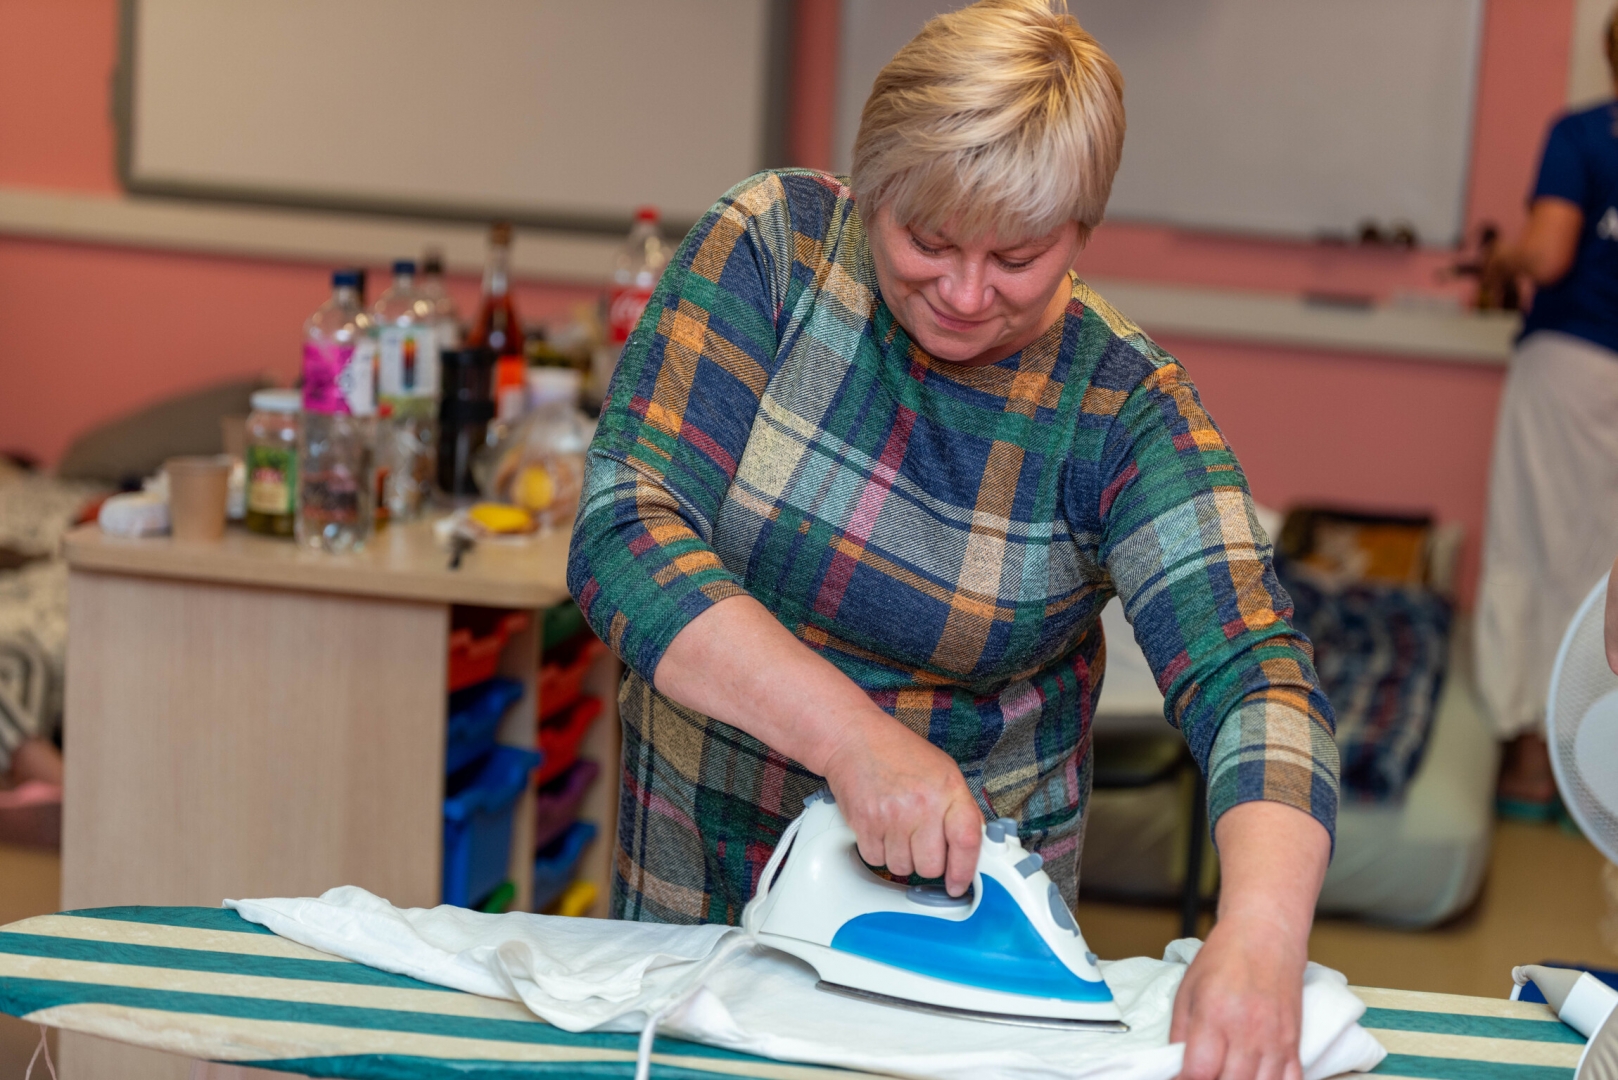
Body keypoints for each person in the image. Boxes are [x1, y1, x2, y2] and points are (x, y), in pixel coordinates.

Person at [568, 2, 1338, 1076]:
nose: (966, 296)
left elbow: (1252, 677)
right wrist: (856, 743)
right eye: (926, 242)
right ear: (871, 187)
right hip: (689, 892)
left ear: (1082, 230)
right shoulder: (777, 249)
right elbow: (624, 530)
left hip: (959, 952)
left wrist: (1258, 938)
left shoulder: (1123, 412)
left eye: (1018, 257)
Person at [1477, 8, 1618, 817]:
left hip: (1571, 367)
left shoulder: (1582, 134)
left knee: (1535, 548)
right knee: (1605, 566)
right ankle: (1596, 780)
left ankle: (1532, 758)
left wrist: (1507, 256)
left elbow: (1552, 251)